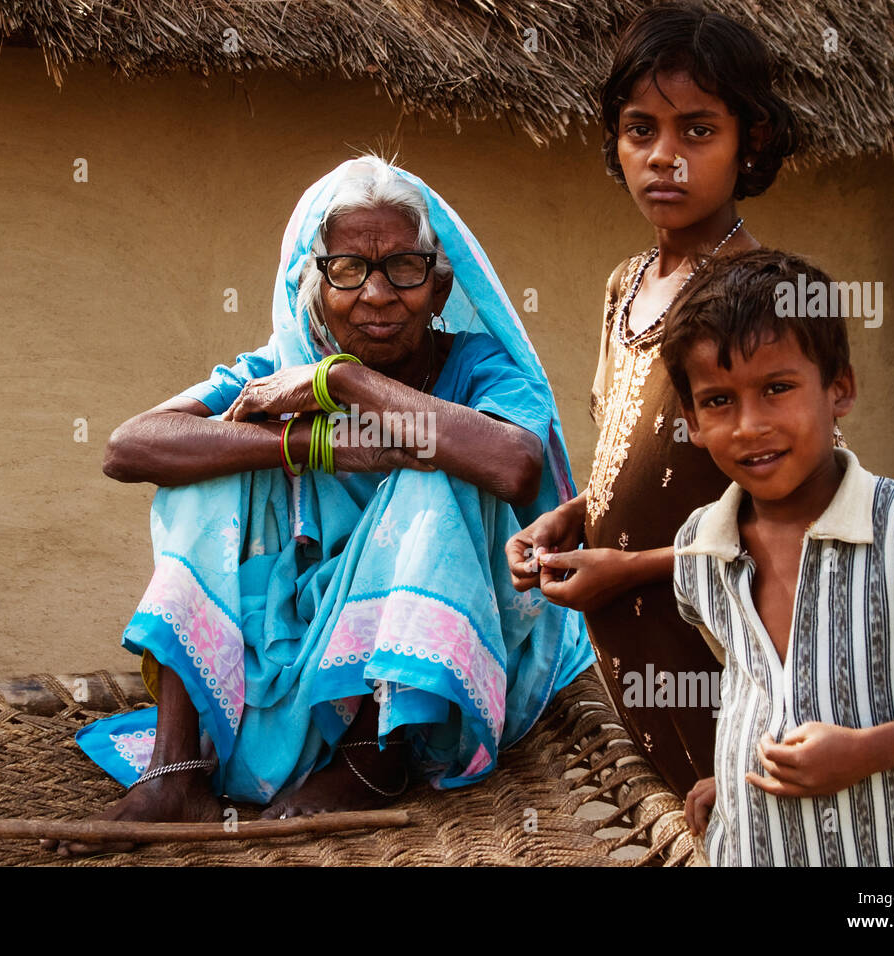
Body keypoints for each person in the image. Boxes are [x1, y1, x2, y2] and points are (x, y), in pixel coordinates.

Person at [42, 154, 594, 856]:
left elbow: (515, 465)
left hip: (442, 671)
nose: (377, 293)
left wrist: (344, 383)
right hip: (297, 645)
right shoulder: (277, 368)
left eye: (403, 267)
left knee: (443, 463)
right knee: (205, 465)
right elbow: (129, 447)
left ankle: (372, 757)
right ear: (313, 283)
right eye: (347, 269)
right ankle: (174, 771)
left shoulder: (476, 367)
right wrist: (311, 445)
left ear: (440, 284)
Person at [507, 1, 799, 798]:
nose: (664, 157)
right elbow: (632, 467)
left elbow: (796, 522)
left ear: (752, 142)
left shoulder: (761, 300)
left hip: (726, 666)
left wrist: (630, 569)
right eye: (642, 131)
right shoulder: (623, 287)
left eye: (697, 131)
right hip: (635, 663)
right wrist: (564, 524)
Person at [662, 248, 894, 865]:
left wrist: (869, 751)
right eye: (719, 401)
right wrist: (727, 774)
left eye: (777, 388)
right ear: (691, 419)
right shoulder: (701, 547)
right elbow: (752, 684)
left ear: (840, 389)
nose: (749, 425)